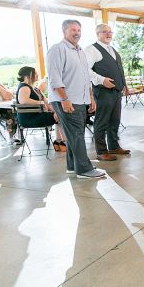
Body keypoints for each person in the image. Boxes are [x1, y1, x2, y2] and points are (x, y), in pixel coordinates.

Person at [47, 19, 105, 179]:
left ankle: (73, 166)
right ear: (64, 31)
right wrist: (64, 99)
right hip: (66, 99)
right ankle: (84, 169)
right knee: (76, 134)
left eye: (79, 30)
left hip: (80, 99)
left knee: (76, 132)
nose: (77, 33)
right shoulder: (57, 49)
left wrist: (91, 97)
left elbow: (85, 76)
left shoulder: (79, 51)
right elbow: (54, 78)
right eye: (73, 30)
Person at [85, 23, 131, 161]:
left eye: (110, 32)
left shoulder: (111, 49)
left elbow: (118, 68)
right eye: (105, 32)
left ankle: (113, 146)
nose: (108, 34)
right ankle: (101, 151)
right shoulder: (91, 50)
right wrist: (102, 79)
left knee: (114, 121)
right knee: (102, 121)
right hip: (103, 91)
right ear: (97, 34)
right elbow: (86, 70)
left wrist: (124, 84)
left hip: (117, 91)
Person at [15, 66, 66, 149]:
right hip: (29, 118)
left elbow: (47, 103)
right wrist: (40, 102)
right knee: (60, 116)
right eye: (35, 74)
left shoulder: (35, 89)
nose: (37, 75)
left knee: (59, 114)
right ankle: (64, 142)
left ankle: (59, 141)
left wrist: (58, 109)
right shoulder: (24, 87)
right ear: (27, 76)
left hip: (38, 115)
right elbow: (23, 100)